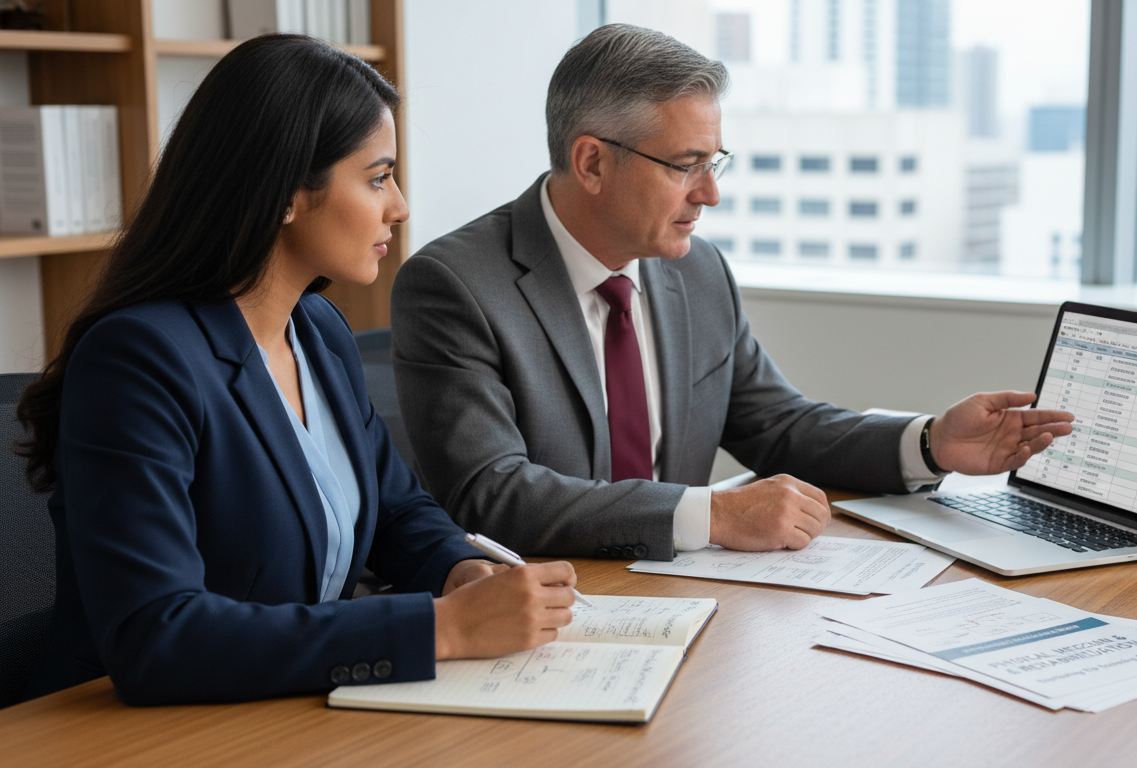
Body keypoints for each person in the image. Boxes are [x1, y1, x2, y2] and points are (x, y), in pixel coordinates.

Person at [14, 35, 575, 706]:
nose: (399, 205)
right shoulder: (139, 360)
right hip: (134, 736)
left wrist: (460, 571)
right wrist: (438, 629)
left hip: (290, 711)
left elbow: (395, 509)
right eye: (377, 177)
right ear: (284, 192)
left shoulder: (319, 332)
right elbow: (156, 634)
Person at [390, 24, 1074, 562]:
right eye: (685, 166)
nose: (710, 194)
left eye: (713, 163)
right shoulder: (456, 286)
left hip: (688, 607)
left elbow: (778, 425)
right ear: (592, 162)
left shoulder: (696, 272)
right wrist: (710, 513)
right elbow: (491, 495)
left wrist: (928, 444)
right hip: (545, 612)